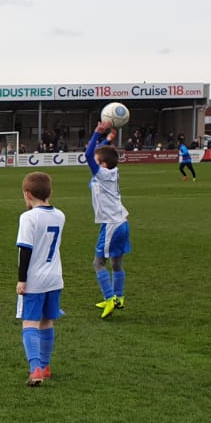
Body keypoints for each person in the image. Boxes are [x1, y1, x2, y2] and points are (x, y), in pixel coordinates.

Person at [15, 172, 66, 386]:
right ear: (50, 192)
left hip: (34, 279)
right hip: (54, 278)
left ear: (27, 194)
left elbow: (25, 251)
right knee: (47, 322)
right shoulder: (60, 215)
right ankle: (45, 366)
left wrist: (21, 280)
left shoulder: (28, 218)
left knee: (30, 322)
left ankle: (34, 368)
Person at [83, 121, 129, 319]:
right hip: (119, 222)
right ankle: (119, 297)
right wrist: (107, 139)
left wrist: (96, 133)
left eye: (97, 159)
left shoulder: (102, 174)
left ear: (102, 164)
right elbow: (95, 154)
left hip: (111, 223)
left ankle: (110, 298)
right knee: (116, 263)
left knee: (98, 263)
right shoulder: (110, 172)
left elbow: (87, 155)